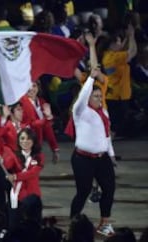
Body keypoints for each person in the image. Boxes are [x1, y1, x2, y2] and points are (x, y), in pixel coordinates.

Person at [69, 68, 116, 237]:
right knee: (83, 191)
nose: (99, 98)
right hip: (83, 159)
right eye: (95, 96)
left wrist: (111, 153)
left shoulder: (103, 111)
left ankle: (104, 223)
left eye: (100, 96)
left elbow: (106, 133)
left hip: (102, 158)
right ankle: (73, 223)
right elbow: (82, 97)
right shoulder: (80, 111)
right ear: (88, 97)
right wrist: (90, 78)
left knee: (109, 188)